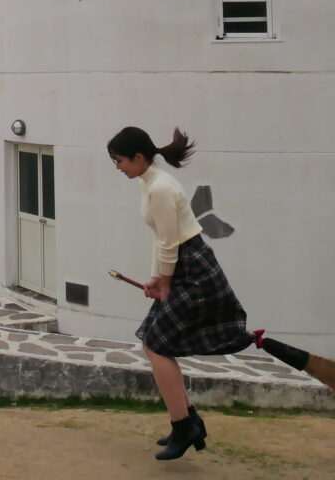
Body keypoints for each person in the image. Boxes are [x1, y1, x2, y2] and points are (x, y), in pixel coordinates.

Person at [107, 126, 255, 461]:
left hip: (193, 270)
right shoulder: (151, 182)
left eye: (120, 161)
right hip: (183, 266)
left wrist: (167, 282)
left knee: (158, 344)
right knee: (151, 340)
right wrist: (156, 279)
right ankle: (188, 422)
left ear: (139, 157)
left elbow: (171, 242)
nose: (118, 167)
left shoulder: (159, 187)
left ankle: (184, 425)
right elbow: (161, 238)